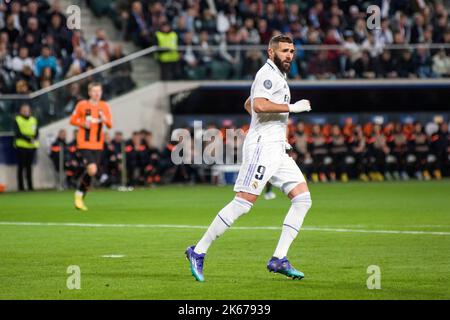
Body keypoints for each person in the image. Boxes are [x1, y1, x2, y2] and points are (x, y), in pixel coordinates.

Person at [185, 35, 313, 282]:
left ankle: (278, 259)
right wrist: (291, 108)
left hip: (276, 147)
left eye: (292, 51)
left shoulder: (278, 76)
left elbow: (249, 104)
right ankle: (198, 251)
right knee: (243, 203)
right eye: (285, 50)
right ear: (271, 52)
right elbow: (260, 106)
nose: (290, 55)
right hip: (261, 148)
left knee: (303, 199)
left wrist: (276, 131)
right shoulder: (267, 74)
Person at [69, 82, 112, 211]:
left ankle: (79, 195)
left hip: (98, 145)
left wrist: (104, 119)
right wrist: (82, 123)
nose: (97, 93)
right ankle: (79, 195)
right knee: (92, 169)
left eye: (99, 91)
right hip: (84, 143)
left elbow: (110, 125)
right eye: (94, 91)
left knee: (91, 171)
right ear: (89, 93)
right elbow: (72, 120)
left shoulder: (104, 106)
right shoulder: (82, 105)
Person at [13, 103, 39, 191]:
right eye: (24, 110)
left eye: (27, 110)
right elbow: (17, 133)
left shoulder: (33, 119)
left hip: (31, 146)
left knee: (29, 167)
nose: (26, 112)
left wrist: (34, 138)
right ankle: (21, 187)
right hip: (21, 146)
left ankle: (30, 186)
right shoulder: (17, 119)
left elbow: (36, 132)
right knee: (21, 167)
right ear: (20, 111)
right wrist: (28, 139)